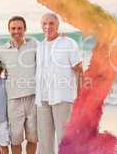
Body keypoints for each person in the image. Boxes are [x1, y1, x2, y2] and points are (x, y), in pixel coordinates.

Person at [35, 13, 83, 154]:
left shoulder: (68, 43)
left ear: (57, 25)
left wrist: (81, 98)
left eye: (51, 23)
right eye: (44, 23)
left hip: (62, 98)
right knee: (44, 142)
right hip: (42, 99)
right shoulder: (40, 46)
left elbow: (79, 71)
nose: (47, 26)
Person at [0, 16, 38, 154]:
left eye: (19, 28)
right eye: (13, 28)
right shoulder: (1, 51)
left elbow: (50, 49)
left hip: (33, 98)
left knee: (33, 138)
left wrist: (60, 38)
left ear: (25, 29)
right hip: (13, 100)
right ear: (9, 30)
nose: (16, 31)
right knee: (15, 139)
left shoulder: (34, 44)